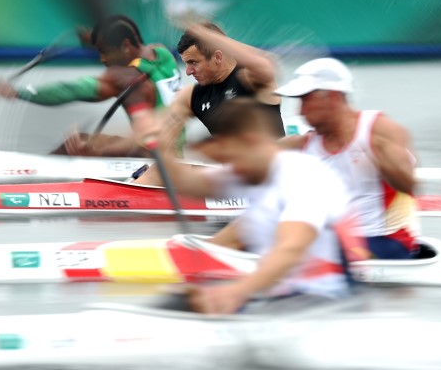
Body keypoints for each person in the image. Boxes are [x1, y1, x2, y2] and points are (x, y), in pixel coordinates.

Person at [135, 98, 356, 315]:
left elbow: (291, 249)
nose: (230, 169)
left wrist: (236, 292)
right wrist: (161, 149)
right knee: (179, 301)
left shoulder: (302, 176)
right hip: (281, 298)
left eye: (232, 158)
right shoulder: (251, 169)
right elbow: (190, 184)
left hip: (324, 301)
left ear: (251, 141)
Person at [275, 57, 420, 260]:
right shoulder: (304, 143)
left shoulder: (379, 130)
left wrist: (381, 159)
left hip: (388, 243)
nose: (299, 111)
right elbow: (251, 157)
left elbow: (409, 184)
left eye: (305, 100)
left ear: (332, 97)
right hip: (338, 241)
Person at [0, 15, 181, 157]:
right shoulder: (162, 54)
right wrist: (96, 40)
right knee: (90, 141)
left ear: (125, 46)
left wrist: (16, 92)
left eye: (105, 52)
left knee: (72, 146)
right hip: (174, 151)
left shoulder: (124, 77)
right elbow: (127, 40)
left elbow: (70, 91)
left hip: (151, 156)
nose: (103, 59)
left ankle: (33, 187)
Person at [134, 20, 284, 185]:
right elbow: (164, 136)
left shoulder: (251, 78)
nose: (189, 72)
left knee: (160, 173)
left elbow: (267, 63)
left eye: (193, 62)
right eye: (186, 63)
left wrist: (205, 34)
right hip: (234, 179)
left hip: (273, 177)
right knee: (161, 171)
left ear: (218, 57)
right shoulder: (191, 96)